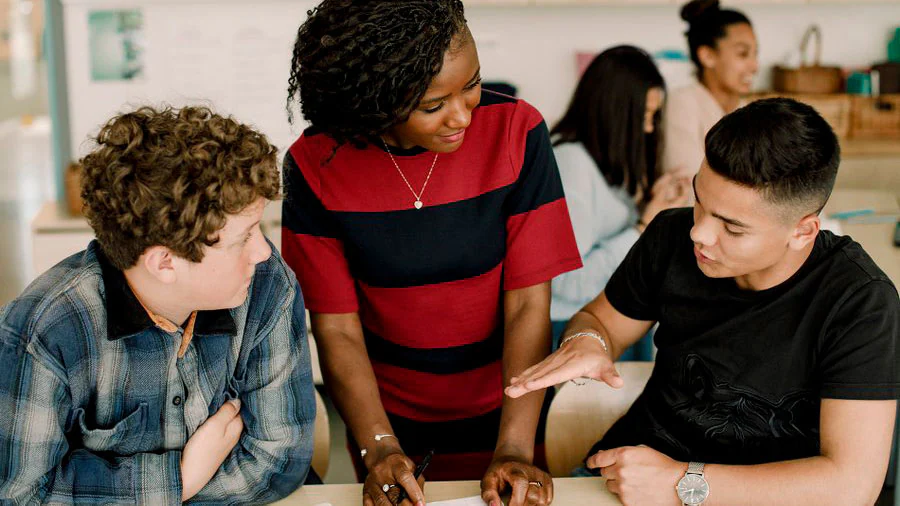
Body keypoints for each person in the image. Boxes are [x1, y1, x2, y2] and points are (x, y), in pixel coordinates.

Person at [507, 98, 899, 506]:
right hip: (628, 481)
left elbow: (852, 485)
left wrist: (681, 483)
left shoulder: (860, 303)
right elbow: (599, 321)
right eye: (699, 201)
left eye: (732, 227)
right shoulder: (671, 236)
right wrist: (588, 341)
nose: (700, 234)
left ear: (803, 231)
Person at [282, 1, 581, 505]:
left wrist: (513, 446)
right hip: (383, 415)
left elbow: (530, 304)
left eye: (472, 85)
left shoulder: (517, 131)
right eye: (432, 105)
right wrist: (379, 446)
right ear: (373, 101)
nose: (462, 115)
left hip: (512, 404)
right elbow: (336, 328)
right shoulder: (315, 164)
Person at [0, 106, 317, 504]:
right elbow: (19, 494)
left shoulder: (268, 286)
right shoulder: (43, 330)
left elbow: (280, 462)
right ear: (164, 262)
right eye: (243, 237)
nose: (263, 253)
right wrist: (181, 479)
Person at [550, 45, 692, 353]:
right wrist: (644, 225)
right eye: (645, 116)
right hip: (577, 327)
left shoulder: (599, 161)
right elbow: (568, 281)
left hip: (609, 317)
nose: (650, 128)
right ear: (614, 112)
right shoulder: (571, 164)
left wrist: (651, 202)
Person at [663, 0, 759, 175]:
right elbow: (686, 185)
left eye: (755, 54)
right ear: (707, 56)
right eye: (742, 54)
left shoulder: (748, 111)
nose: (754, 66)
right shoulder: (682, 104)